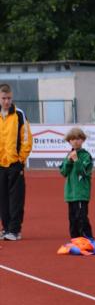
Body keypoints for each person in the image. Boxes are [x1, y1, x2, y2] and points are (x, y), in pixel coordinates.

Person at [0, 82, 33, 241]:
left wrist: (21, 159)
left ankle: (15, 230)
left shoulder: (19, 114)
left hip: (15, 164)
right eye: (4, 98)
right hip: (0, 164)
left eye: (9, 98)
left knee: (16, 199)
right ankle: (6, 228)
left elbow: (26, 138)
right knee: (2, 198)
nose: (7, 101)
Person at [59, 127, 94, 239]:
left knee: (82, 218)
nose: (75, 141)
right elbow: (63, 172)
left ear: (83, 140)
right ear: (69, 141)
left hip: (81, 193)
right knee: (73, 219)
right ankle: (75, 240)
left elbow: (84, 171)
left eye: (78, 139)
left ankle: (88, 239)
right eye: (72, 139)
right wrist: (69, 161)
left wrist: (76, 160)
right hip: (71, 194)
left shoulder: (86, 156)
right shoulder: (69, 155)